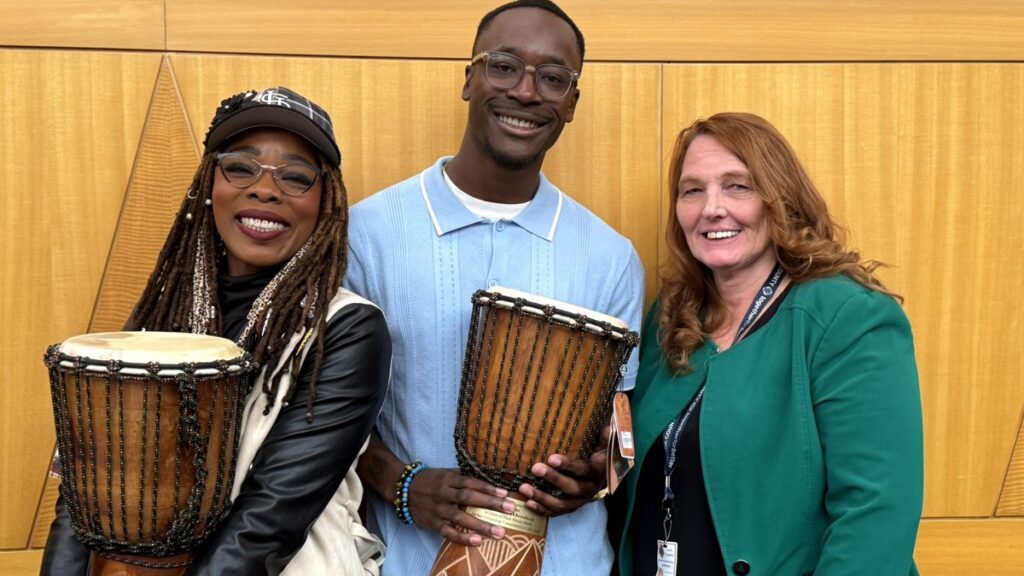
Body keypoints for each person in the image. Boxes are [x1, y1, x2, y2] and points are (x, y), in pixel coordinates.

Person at [343, 1, 644, 574]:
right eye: (504, 66)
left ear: (572, 103)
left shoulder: (612, 258)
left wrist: (599, 475)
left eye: (553, 78)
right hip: (405, 560)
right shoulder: (367, 234)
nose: (527, 92)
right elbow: (315, 414)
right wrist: (399, 484)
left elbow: (620, 423)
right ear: (469, 78)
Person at [40, 86, 391, 575]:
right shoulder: (155, 323)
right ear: (210, 183)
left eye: (295, 176)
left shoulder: (347, 328)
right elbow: (82, 496)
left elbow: (270, 518)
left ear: (325, 201)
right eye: (241, 167)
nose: (265, 189)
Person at [612, 112, 923, 576]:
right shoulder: (672, 316)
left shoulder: (847, 316)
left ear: (781, 198)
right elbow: (631, 454)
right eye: (692, 190)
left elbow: (875, 515)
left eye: (738, 186)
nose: (711, 207)